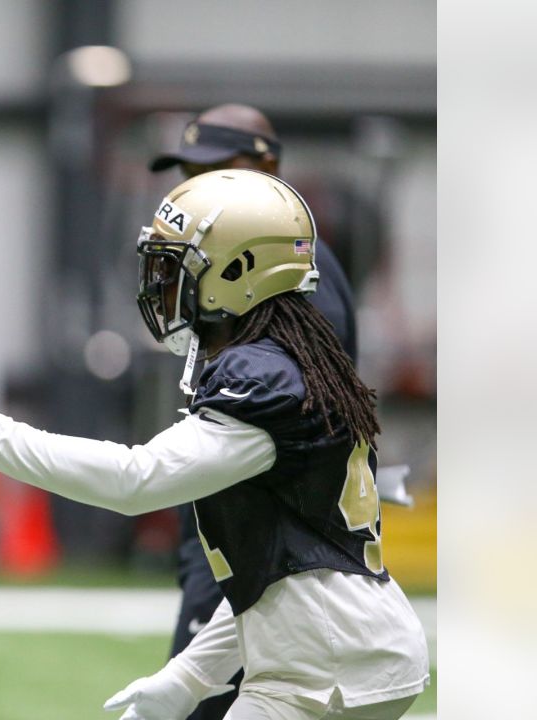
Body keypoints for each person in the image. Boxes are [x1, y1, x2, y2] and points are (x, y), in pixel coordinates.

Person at [0, 169, 429, 719]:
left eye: (177, 266)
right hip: (344, 652)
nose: (161, 284)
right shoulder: (288, 363)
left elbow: (135, 481)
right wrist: (187, 679)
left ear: (241, 270)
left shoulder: (263, 380)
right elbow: (282, 575)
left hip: (324, 668)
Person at [148, 103, 359, 720]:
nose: (196, 187)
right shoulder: (242, 268)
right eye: (187, 169)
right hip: (243, 525)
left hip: (260, 536)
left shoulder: (293, 282)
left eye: (216, 168)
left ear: (269, 166)